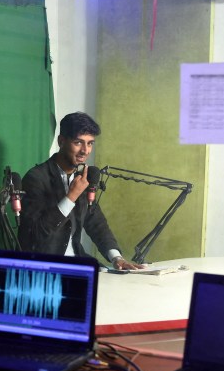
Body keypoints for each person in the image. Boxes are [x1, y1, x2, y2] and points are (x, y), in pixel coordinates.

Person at [18, 112, 142, 270]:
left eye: (90, 143)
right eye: (78, 143)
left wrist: (116, 258)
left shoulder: (83, 177)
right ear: (61, 141)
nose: (85, 151)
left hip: (78, 260)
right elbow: (35, 234)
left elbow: (96, 223)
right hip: (46, 266)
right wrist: (71, 197)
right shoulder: (36, 178)